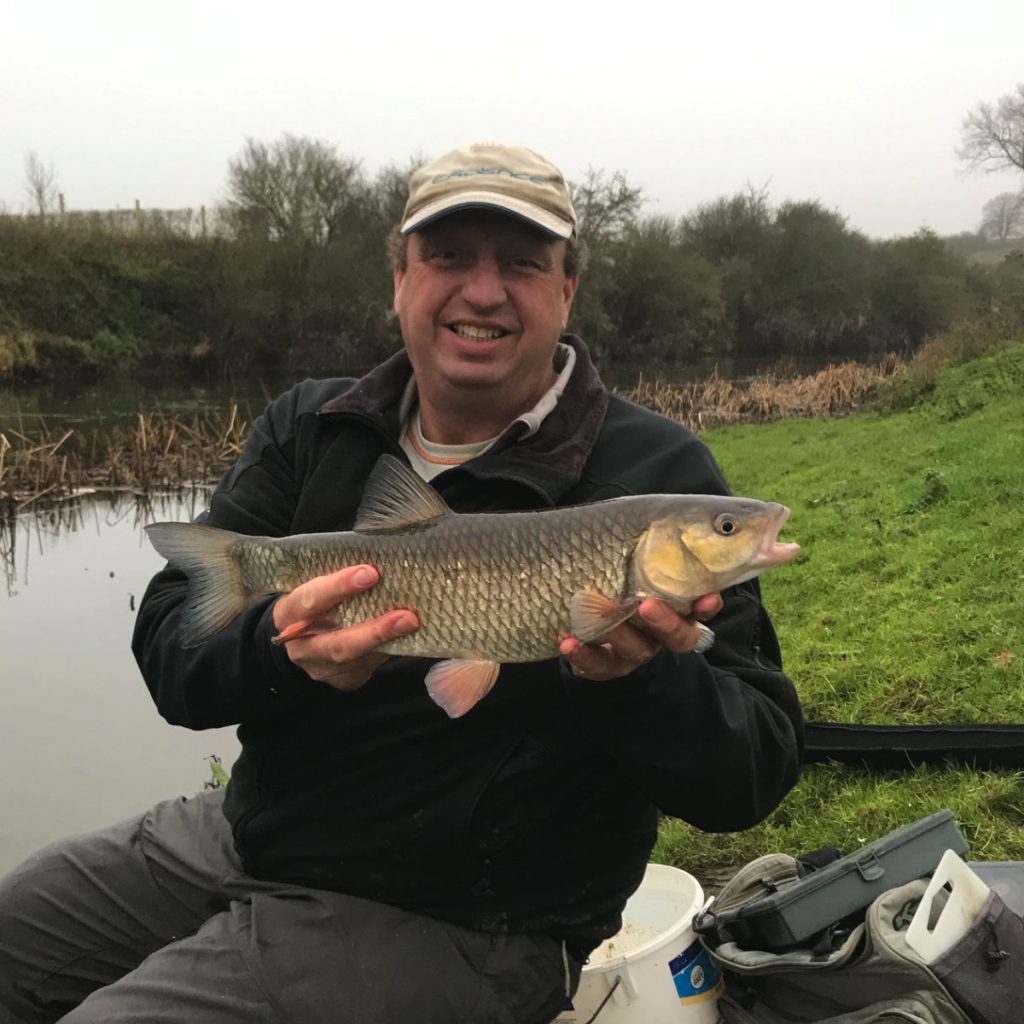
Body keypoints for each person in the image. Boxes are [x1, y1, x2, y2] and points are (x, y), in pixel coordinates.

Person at [0, 142, 803, 1023]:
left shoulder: (652, 470)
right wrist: (280, 652)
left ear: (567, 287)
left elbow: (753, 771)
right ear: (399, 278)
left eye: (522, 264)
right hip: (254, 830)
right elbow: (173, 654)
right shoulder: (314, 425)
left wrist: (643, 681)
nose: (483, 290)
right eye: (449, 257)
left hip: (467, 919)